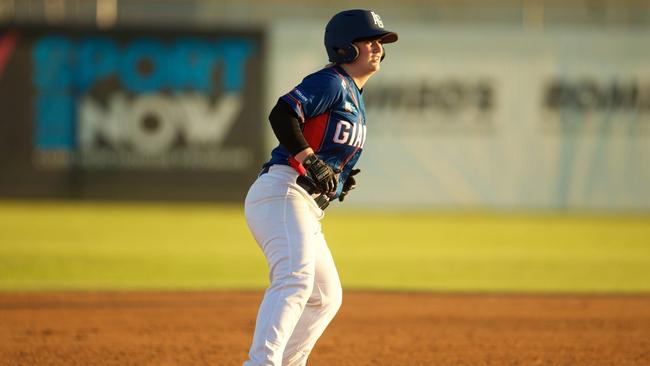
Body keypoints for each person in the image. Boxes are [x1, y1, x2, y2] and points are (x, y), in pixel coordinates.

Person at [243, 9, 398, 366]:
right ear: (345, 48)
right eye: (369, 40)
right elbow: (282, 115)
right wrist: (311, 159)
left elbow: (327, 144)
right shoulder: (331, 82)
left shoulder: (355, 97)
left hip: (306, 205)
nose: (377, 46)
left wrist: (338, 176)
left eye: (380, 42)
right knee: (296, 278)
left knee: (325, 296)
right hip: (282, 192)